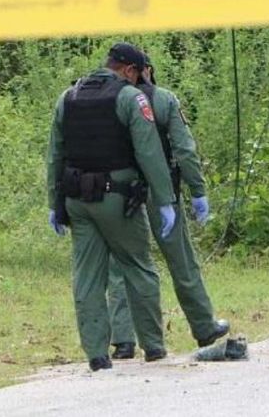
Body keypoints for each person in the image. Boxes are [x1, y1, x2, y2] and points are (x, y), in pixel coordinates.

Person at [46, 42, 177, 371]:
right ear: (130, 70)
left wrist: (54, 203)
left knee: (87, 276)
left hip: (77, 199)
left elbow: (55, 155)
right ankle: (154, 346)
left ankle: (97, 354)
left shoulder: (68, 97)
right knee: (138, 267)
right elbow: (149, 153)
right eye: (139, 74)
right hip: (116, 197)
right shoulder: (131, 98)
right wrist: (165, 200)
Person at [107, 54, 229, 360]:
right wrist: (198, 191)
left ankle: (123, 340)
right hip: (162, 194)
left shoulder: (107, 100)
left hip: (122, 192)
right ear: (145, 70)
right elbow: (184, 150)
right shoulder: (163, 100)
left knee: (124, 264)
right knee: (181, 260)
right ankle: (204, 327)